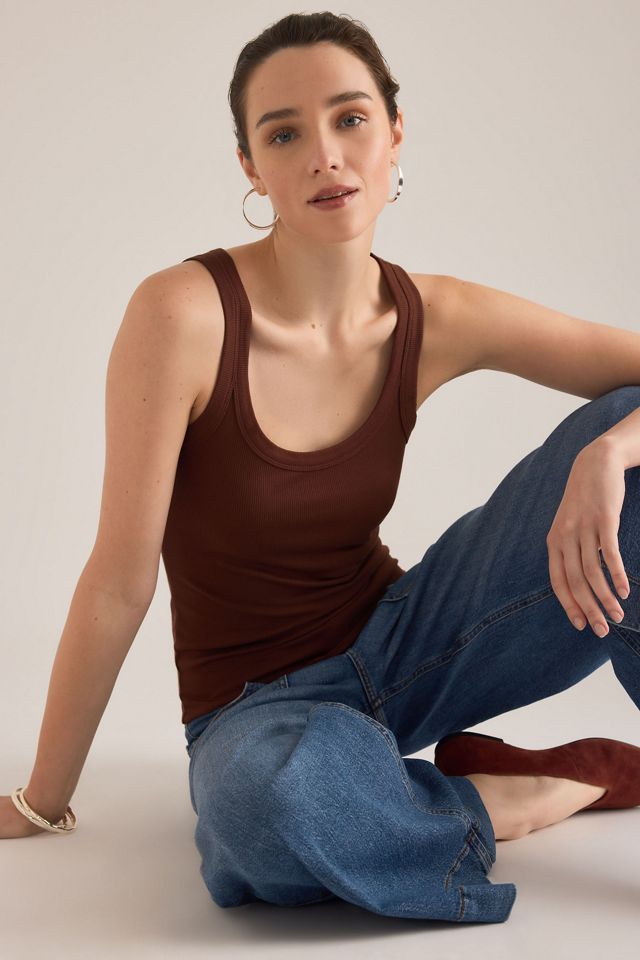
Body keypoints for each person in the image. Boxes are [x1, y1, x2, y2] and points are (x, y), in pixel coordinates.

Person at [2, 10, 640, 925]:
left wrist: (610, 451)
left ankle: (393, 799)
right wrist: (42, 799)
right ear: (250, 166)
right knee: (259, 812)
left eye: (349, 119)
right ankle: (505, 798)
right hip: (254, 712)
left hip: (411, 647)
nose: (324, 156)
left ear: (394, 134)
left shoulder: (435, 315)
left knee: (630, 442)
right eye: (284, 134)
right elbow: (118, 581)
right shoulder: (182, 317)